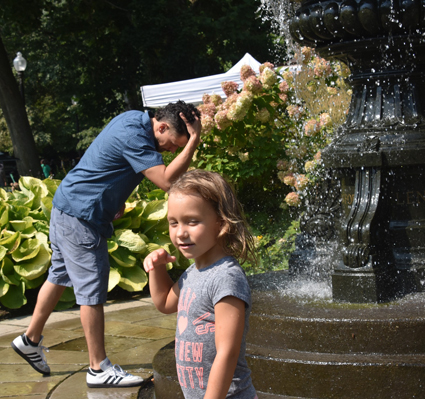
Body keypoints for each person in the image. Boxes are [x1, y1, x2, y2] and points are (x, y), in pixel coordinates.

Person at [11, 101, 202, 388]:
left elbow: (109, 165)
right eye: (174, 144)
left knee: (59, 275)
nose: (171, 150)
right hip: (81, 218)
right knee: (92, 290)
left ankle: (29, 339)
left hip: (68, 206)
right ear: (161, 126)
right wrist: (195, 141)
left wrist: (113, 198)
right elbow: (166, 181)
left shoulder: (132, 122)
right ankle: (98, 368)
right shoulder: (136, 135)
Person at [143, 169, 258, 399]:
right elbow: (165, 303)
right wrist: (156, 270)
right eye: (173, 223)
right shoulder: (193, 271)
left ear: (222, 223)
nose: (180, 233)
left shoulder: (226, 277)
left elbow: (227, 352)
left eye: (192, 221)